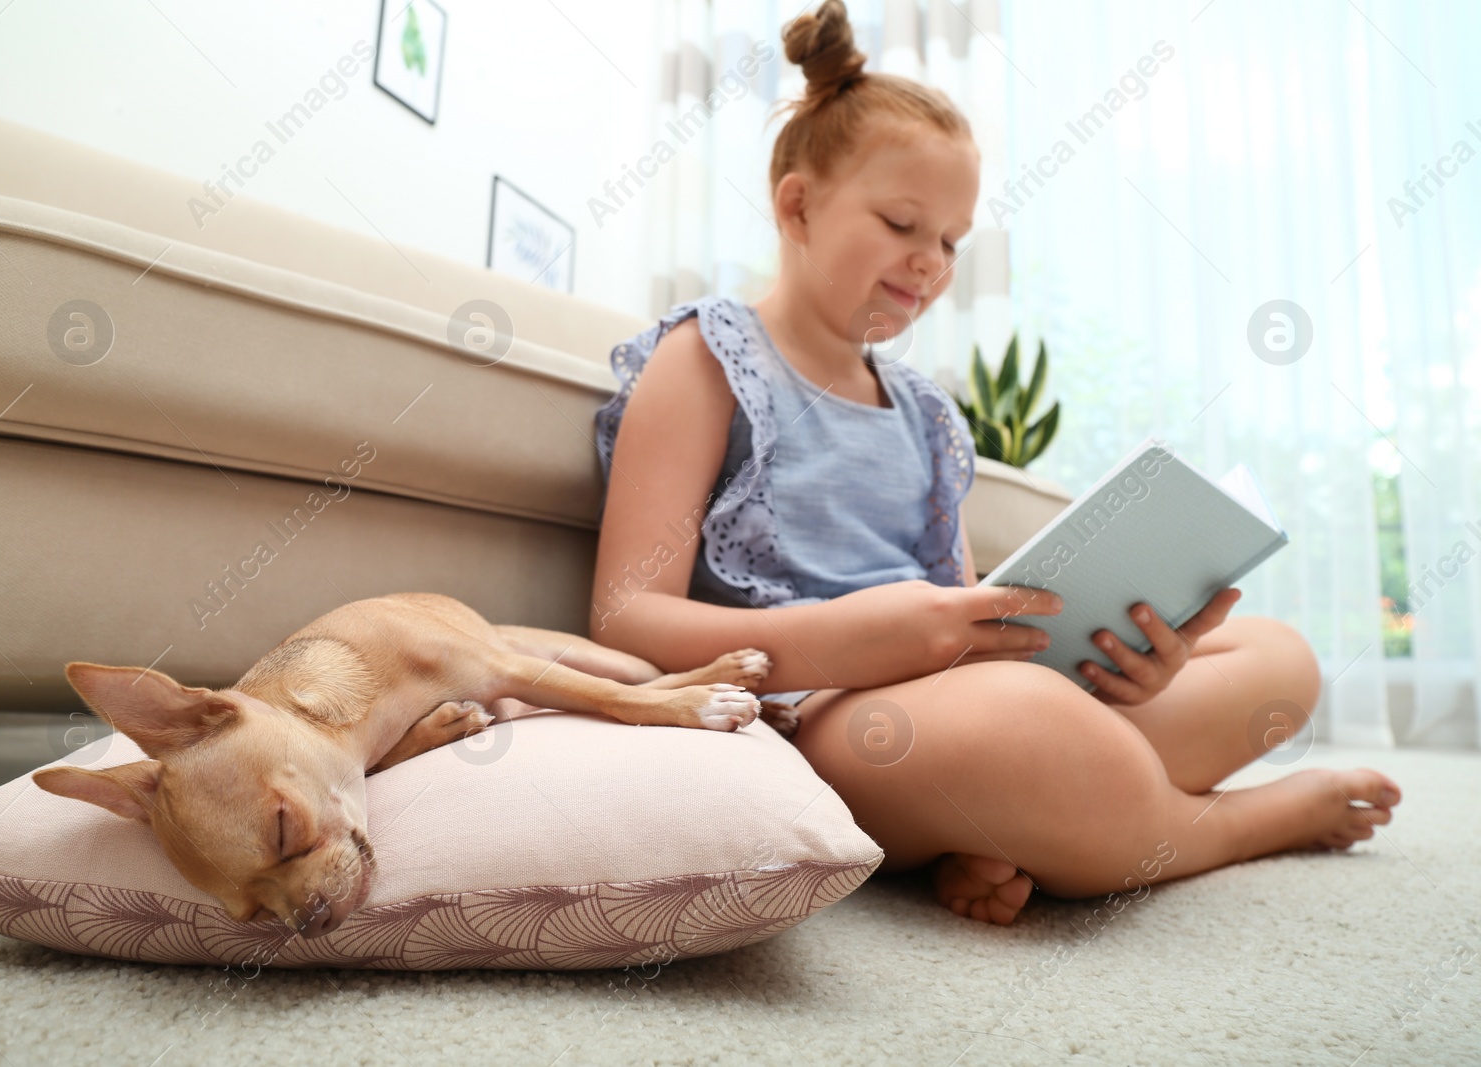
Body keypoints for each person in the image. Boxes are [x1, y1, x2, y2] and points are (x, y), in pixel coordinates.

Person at [588, 0, 1399, 925]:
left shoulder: (926, 415)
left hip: (957, 706)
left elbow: (970, 611)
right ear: (797, 204)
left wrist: (1130, 665)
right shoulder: (705, 359)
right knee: (1032, 728)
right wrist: (853, 637)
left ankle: (1023, 819)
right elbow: (622, 619)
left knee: (1277, 655)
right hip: (815, 717)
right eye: (902, 223)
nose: (930, 263)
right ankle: (1223, 825)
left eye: (950, 242)